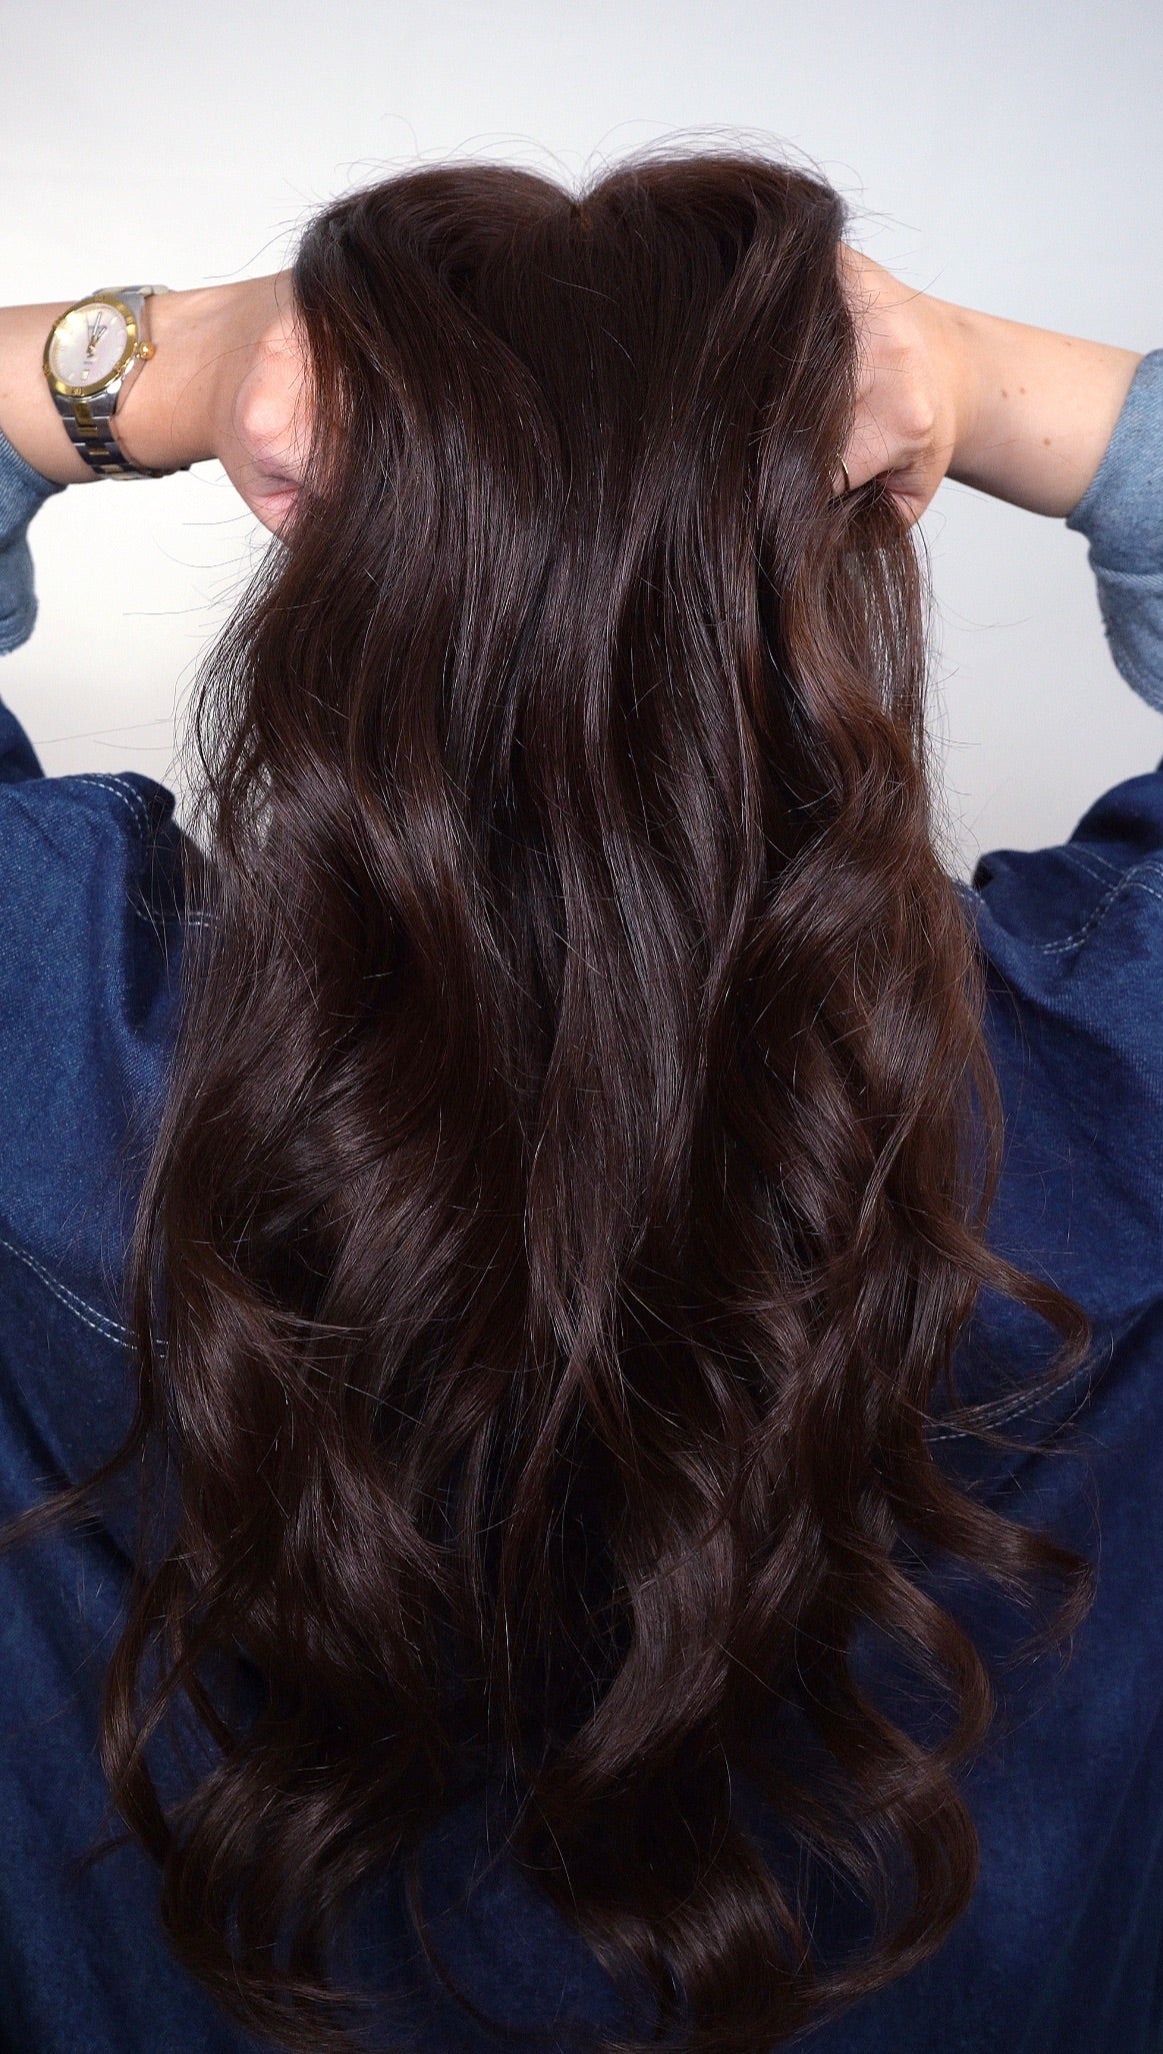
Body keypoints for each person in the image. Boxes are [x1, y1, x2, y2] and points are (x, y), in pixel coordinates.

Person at [0, 148, 1157, 2054]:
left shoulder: (60, 1045)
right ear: (825, 569)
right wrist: (969, 374)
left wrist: (182, 357)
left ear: (348, 592)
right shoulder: (1105, 1076)